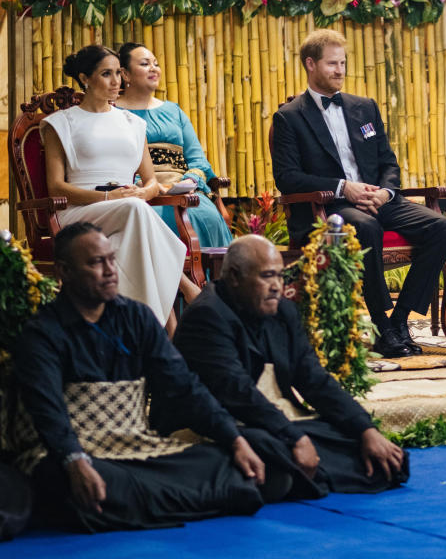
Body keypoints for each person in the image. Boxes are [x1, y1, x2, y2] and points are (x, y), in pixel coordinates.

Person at [12, 223, 265, 532]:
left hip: (134, 446)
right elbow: (48, 412)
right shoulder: (41, 332)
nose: (110, 270)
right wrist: (74, 460)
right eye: (96, 262)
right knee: (89, 484)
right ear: (64, 271)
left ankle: (137, 508)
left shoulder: (137, 317)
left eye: (111, 258)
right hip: (75, 453)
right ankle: (164, 503)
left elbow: (184, 387)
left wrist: (234, 438)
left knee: (227, 468)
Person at [173, 235, 408, 500]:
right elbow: (237, 393)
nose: (277, 286)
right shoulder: (208, 316)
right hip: (215, 424)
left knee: (384, 459)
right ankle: (293, 471)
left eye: (280, 277)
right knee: (269, 446)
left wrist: (366, 429)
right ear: (235, 277)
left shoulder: (283, 311)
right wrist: (295, 439)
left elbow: (314, 379)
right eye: (267, 276)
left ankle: (295, 475)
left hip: (272, 419)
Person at [271, 29, 446, 358]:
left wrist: (386, 192)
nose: (340, 71)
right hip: (330, 208)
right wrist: (344, 187)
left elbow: (388, 162)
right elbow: (288, 178)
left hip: (379, 199)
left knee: (443, 227)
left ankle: (399, 320)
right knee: (366, 227)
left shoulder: (364, 108)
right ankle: (380, 324)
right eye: (332, 64)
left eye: (343, 63)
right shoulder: (290, 117)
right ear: (310, 64)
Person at [42, 45, 198, 331]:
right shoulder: (59, 124)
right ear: (85, 78)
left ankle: (143, 333)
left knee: (133, 222)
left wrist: (143, 192)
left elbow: (151, 182)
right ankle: (182, 291)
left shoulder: (133, 123)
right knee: (134, 209)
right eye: (106, 74)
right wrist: (108, 196)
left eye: (118, 73)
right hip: (79, 213)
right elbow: (56, 188)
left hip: (130, 211)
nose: (117, 82)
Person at [115, 43, 233, 248]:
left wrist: (188, 182)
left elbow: (197, 158)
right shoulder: (113, 112)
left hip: (183, 192)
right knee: (160, 218)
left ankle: (210, 280)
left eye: (156, 63)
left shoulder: (173, 110)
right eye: (144, 64)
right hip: (140, 193)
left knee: (205, 214)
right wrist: (147, 186)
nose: (154, 68)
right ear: (125, 74)